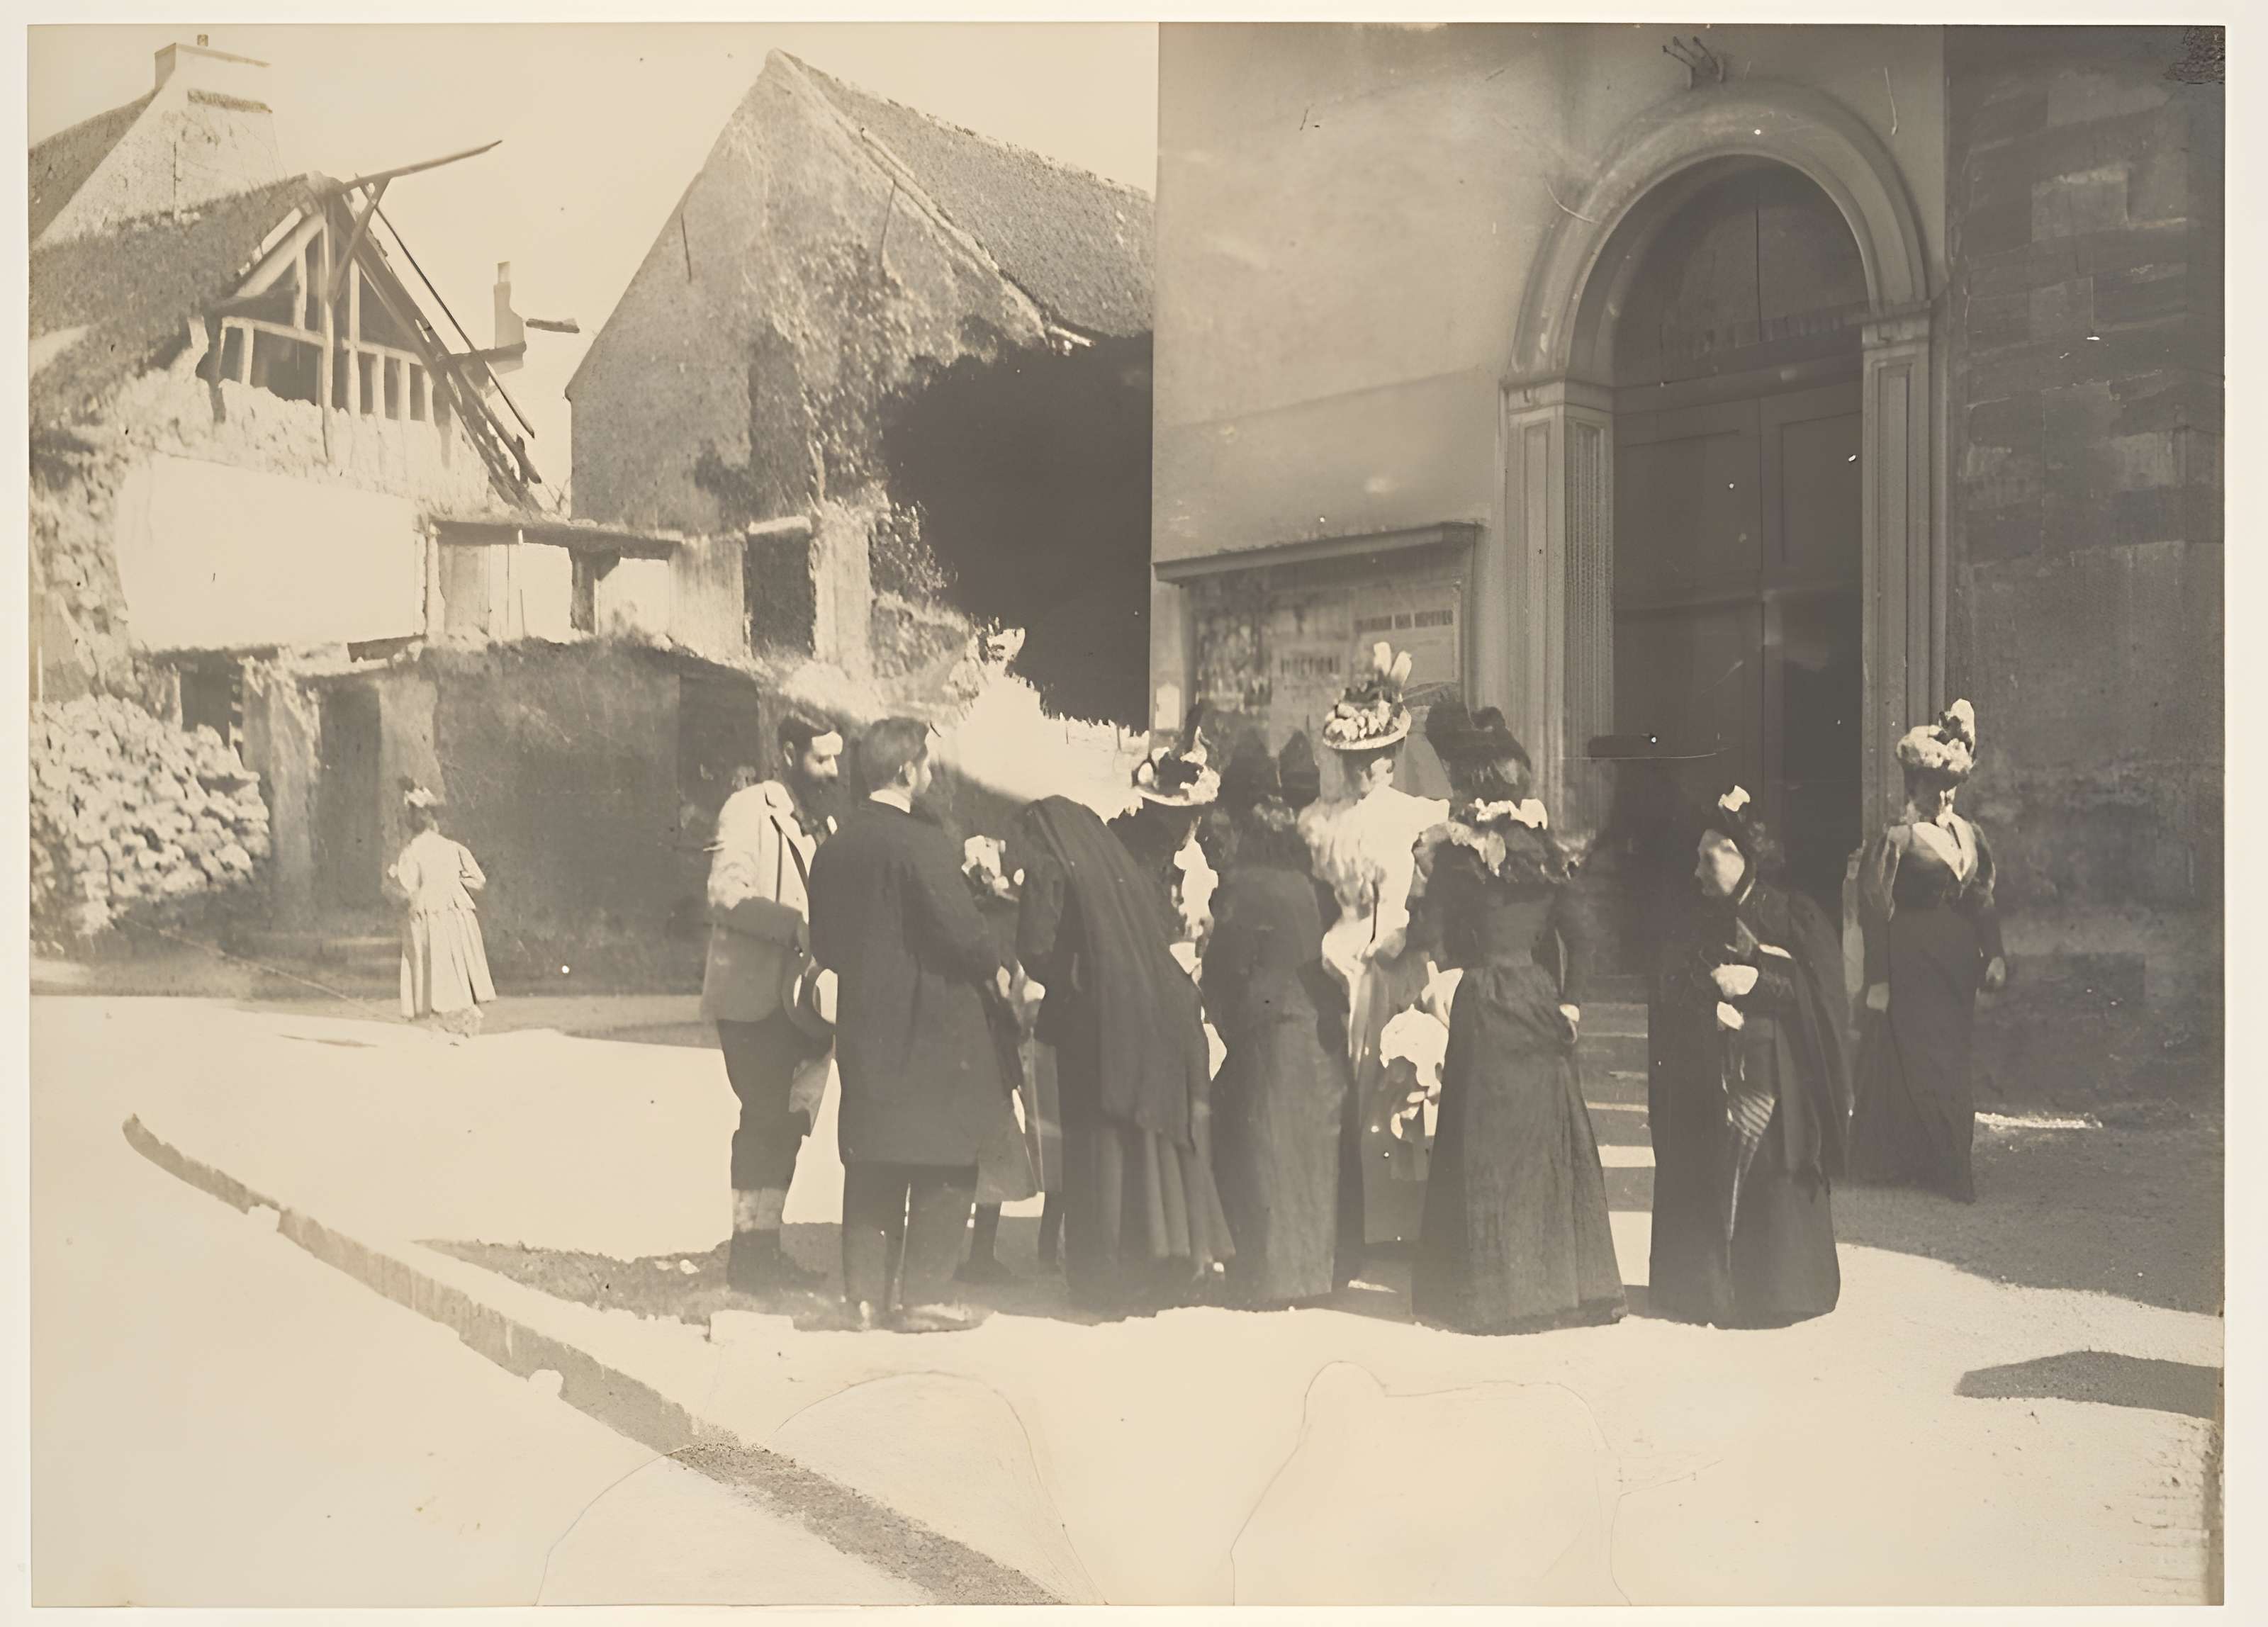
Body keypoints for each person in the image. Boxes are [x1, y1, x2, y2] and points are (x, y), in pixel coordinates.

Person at [1405, 714, 1624, 1334]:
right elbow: (1583, 938)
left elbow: (1431, 935)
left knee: (1485, 1150)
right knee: (1540, 1150)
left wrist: (1420, 898)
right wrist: (1572, 1003)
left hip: (1483, 1000)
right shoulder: (1545, 852)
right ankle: (1549, 1286)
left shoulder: (1456, 857)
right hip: (1534, 999)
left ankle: (1490, 1294)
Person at [806, 719, 1014, 1333]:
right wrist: (990, 951)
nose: (932, 775)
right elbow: (963, 936)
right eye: (928, 765)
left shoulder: (835, 847)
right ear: (906, 771)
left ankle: (863, 1299)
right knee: (945, 1157)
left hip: (867, 1022)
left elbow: (828, 944)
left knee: (872, 1156)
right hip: (933, 1026)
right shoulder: (924, 844)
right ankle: (923, 1296)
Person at [1014, 792, 1233, 1317]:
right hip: (1158, 1013)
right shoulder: (1112, 866)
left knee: (1098, 1150)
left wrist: (1065, 987)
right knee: (1141, 1149)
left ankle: (1101, 1280)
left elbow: (1036, 947)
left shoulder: (1050, 866)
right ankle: (1152, 1271)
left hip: (1099, 1023)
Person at [1646, 787, 1852, 1328]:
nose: (1697, 871)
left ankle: (1778, 1289)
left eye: (1706, 857)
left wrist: (1760, 981)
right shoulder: (1689, 919)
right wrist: (1704, 1011)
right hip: (1708, 1073)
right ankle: (1708, 1290)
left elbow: (1820, 993)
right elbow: (1668, 992)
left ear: (1739, 856)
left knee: (1769, 1168)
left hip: (1774, 1074)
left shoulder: (1793, 915)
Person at [1298, 643, 1449, 1251]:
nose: (1365, 772)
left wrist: (1398, 939)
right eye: (1354, 761)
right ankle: (1357, 1220)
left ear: (1392, 758)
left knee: (1389, 1076)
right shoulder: (1325, 819)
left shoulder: (1408, 815)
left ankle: (1390, 1221)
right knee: (1353, 1079)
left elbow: (1416, 898)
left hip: (1386, 954)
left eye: (1376, 759)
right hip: (1352, 954)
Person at [1202, 743, 1357, 1306]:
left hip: (1270, 1032)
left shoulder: (1244, 887)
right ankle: (1317, 1274)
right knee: (1311, 1158)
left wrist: (1217, 1005)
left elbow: (1225, 964)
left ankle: (1267, 1278)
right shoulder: (1307, 883)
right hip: (1318, 1028)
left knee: (1261, 1150)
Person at [700, 713, 843, 1297]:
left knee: (788, 1126)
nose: (832, 771)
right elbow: (724, 894)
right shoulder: (748, 810)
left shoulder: (825, 820)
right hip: (756, 998)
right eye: (821, 759)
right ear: (788, 753)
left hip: (804, 1004)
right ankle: (747, 1255)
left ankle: (767, 1245)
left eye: (837, 759)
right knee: (760, 1123)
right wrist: (797, 927)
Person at [1848, 701, 2007, 1203]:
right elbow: (1875, 909)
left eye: (1951, 788)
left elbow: (1982, 897)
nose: (1943, 797)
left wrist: (1995, 953)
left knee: (1952, 1060)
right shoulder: (1896, 839)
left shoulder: (1969, 835)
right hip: (1911, 961)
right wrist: (1878, 980)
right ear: (1913, 787)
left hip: (1956, 968)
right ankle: (1949, 1169)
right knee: (1926, 1061)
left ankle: (1936, 1157)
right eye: (1933, 787)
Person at [387, 784, 496, 1042]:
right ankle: (460, 1018)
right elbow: (478, 880)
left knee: (437, 963)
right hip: (457, 912)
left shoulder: (412, 851)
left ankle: (452, 1020)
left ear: (417, 817)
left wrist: (392, 876)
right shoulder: (453, 848)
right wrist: (453, 884)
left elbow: (406, 885)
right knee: (455, 961)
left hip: (430, 913)